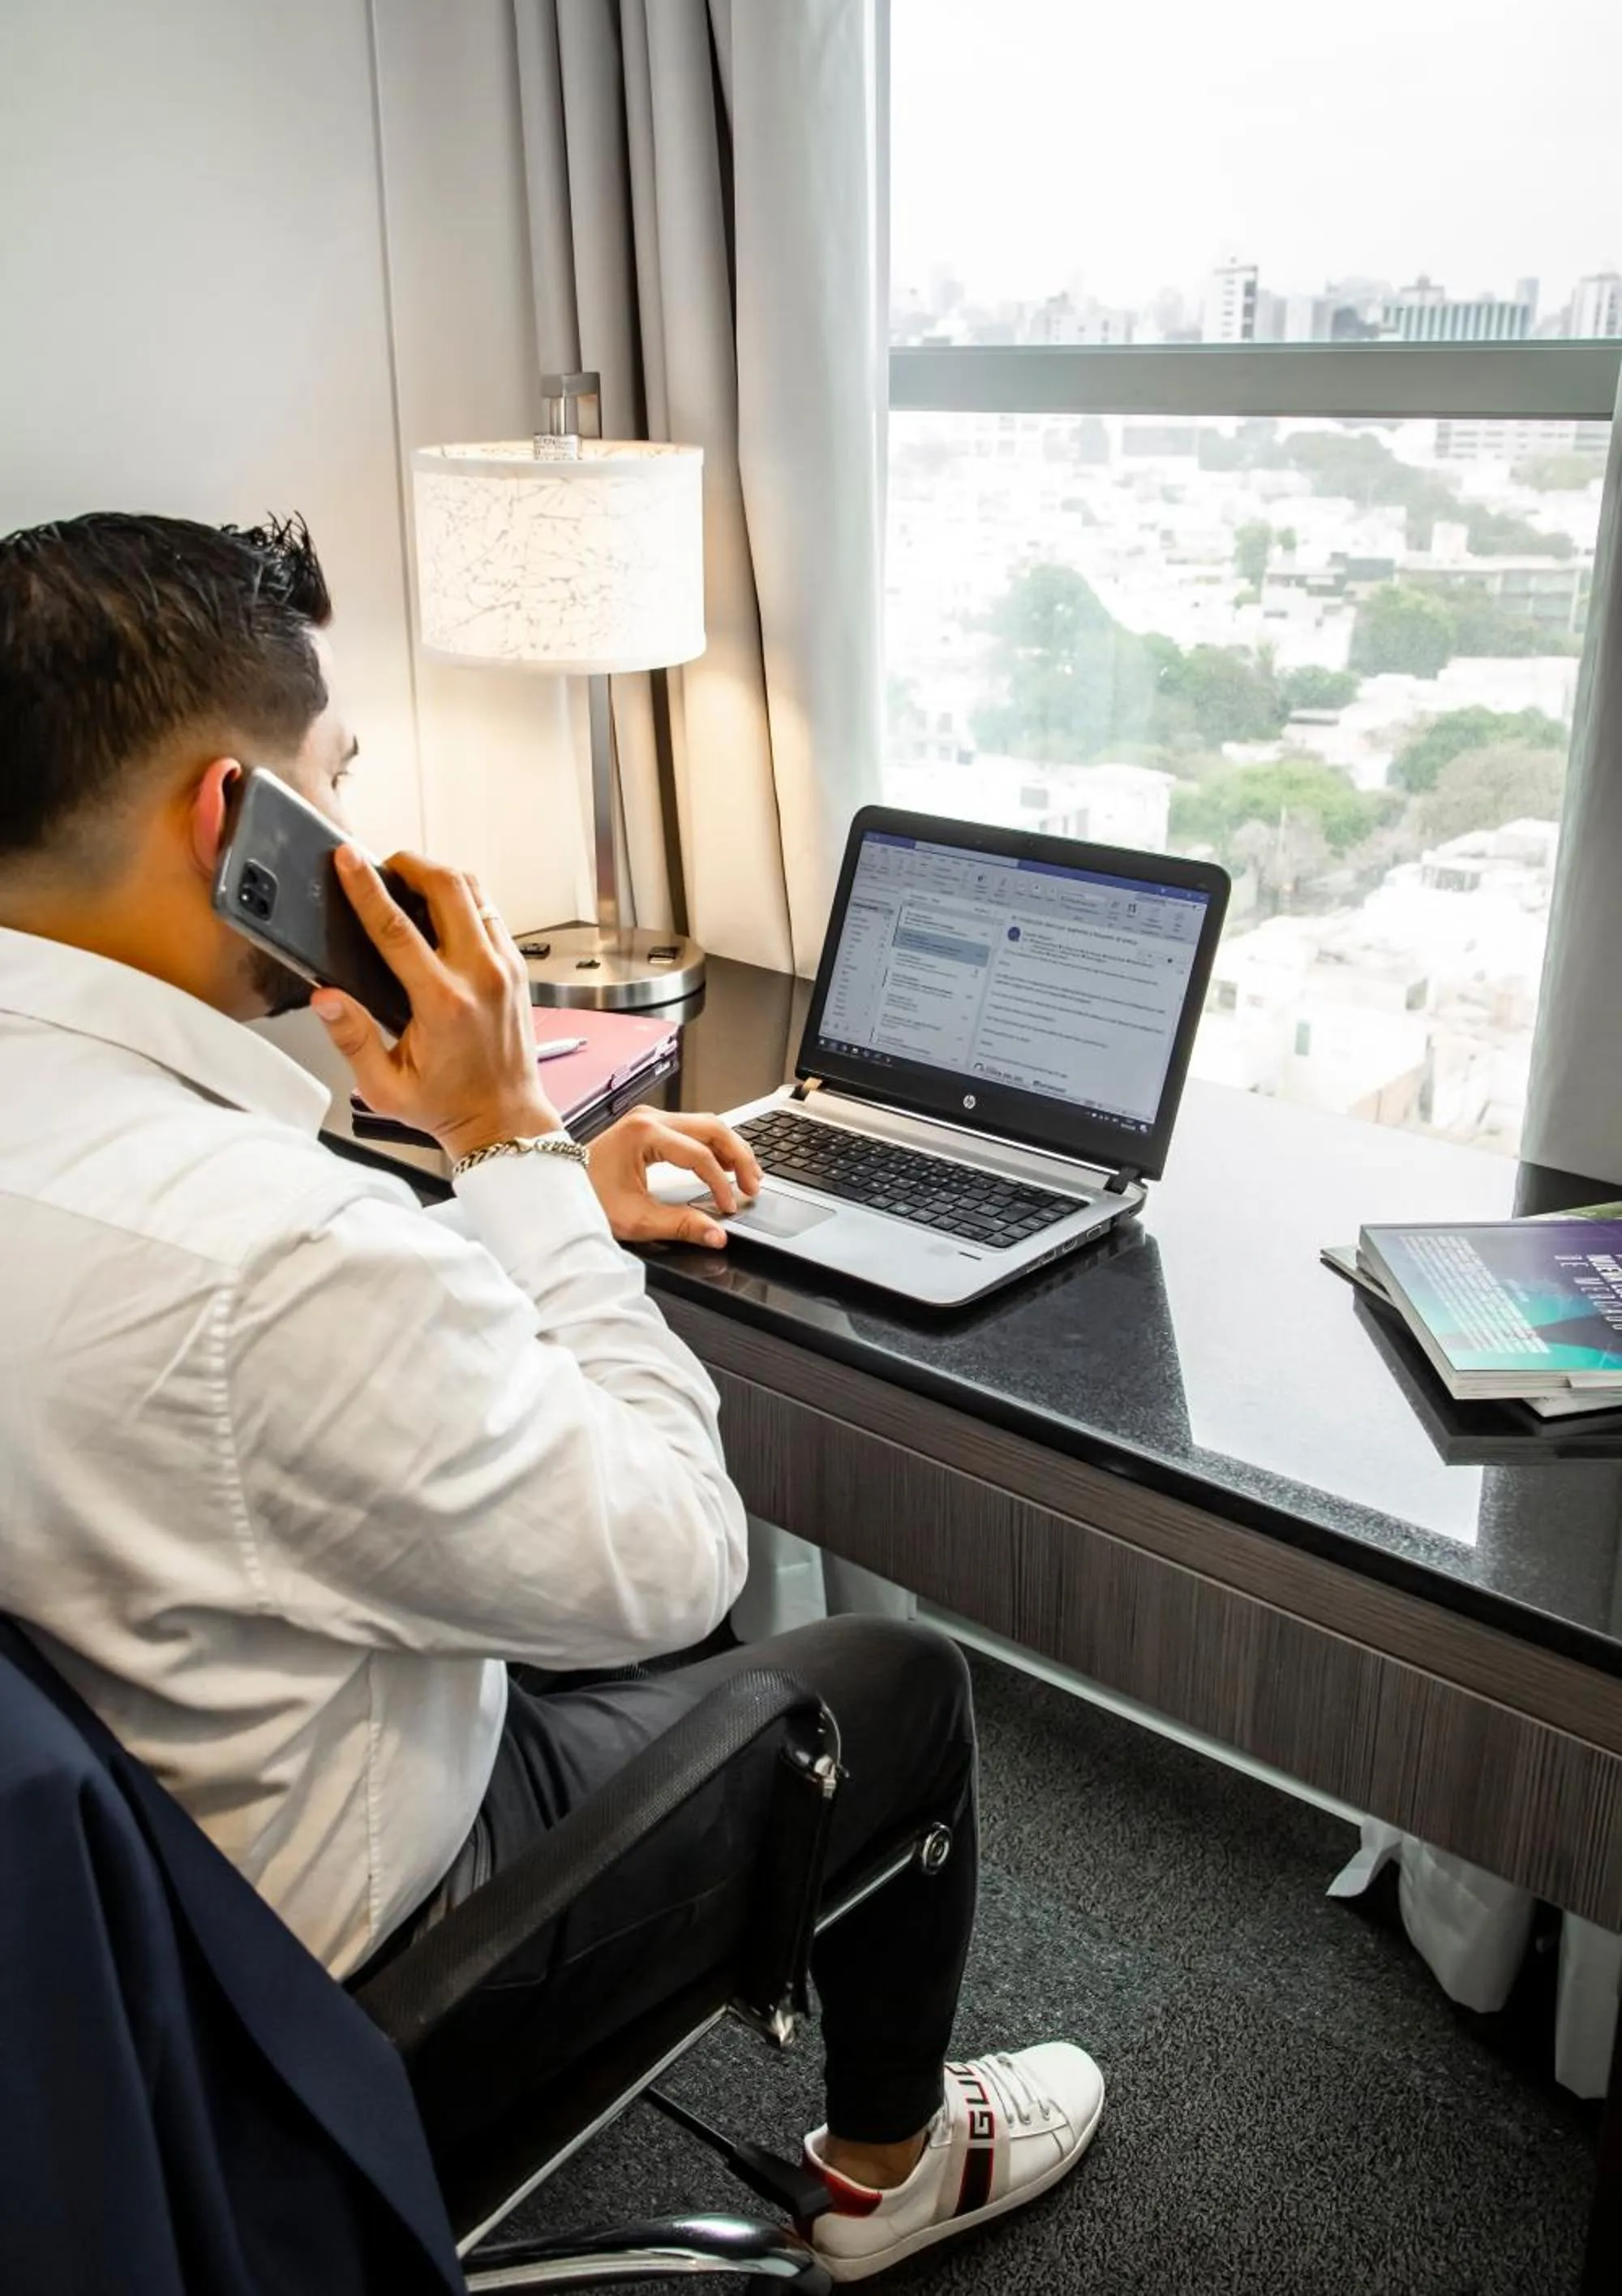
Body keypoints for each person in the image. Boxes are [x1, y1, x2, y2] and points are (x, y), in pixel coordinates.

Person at [0, 511, 1103, 2279]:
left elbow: (245, 1312)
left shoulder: (163, 1172)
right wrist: (507, 1133)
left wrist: (523, 1204)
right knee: (892, 1681)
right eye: (330, 781)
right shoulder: (271, 1257)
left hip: (104, 1918)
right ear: (234, 825)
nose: (348, 828)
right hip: (315, 1990)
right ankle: (888, 2171)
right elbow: (680, 1558)